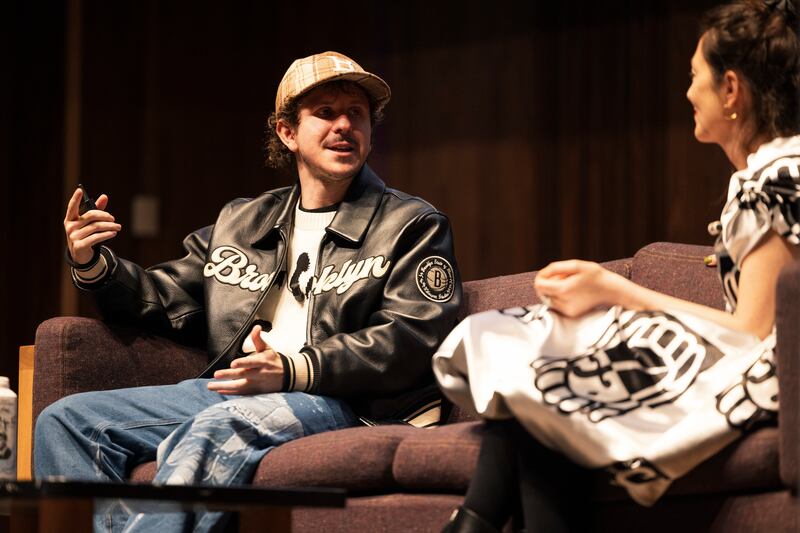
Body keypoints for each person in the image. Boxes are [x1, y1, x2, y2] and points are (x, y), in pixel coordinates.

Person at [35, 51, 462, 533]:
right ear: (287, 132)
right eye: (325, 113)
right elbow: (164, 296)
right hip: (233, 391)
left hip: (343, 400)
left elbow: (415, 333)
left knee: (219, 428)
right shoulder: (242, 221)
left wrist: (293, 367)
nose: (344, 125)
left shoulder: (411, 224)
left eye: (356, 114)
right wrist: (95, 265)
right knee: (66, 419)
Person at [434, 1, 800, 531]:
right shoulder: (780, 170)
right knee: (548, 380)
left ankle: (475, 520)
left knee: (548, 355)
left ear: (731, 90)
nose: (687, 92)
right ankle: (476, 519)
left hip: (766, 385)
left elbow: (754, 334)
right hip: (763, 372)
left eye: (695, 76)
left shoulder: (775, 182)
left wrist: (615, 290)